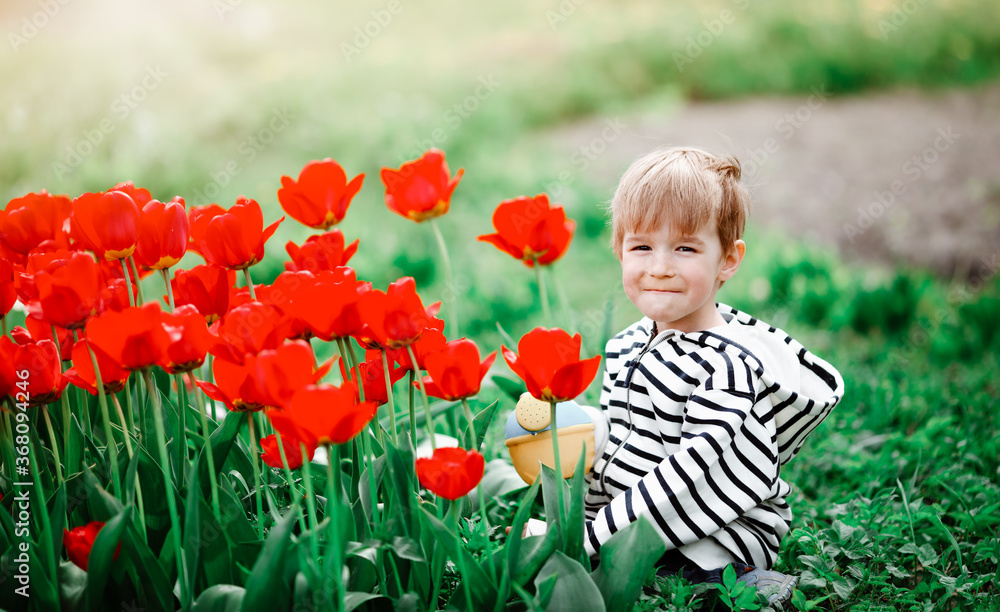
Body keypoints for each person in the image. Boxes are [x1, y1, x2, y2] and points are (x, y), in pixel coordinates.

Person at [579, 147, 845, 607]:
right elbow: (629, 443)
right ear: (619, 249)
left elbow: (692, 476)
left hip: (721, 519)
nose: (660, 266)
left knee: (695, 568)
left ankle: (744, 582)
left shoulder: (725, 368)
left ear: (728, 259)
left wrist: (587, 538)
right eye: (642, 246)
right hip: (638, 510)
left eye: (685, 248)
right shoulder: (625, 344)